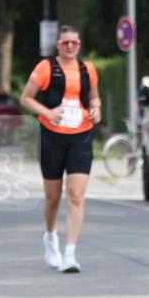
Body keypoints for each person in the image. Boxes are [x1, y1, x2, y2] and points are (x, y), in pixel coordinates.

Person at [20, 25, 101, 273]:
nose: (69, 47)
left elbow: (94, 97)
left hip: (81, 136)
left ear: (78, 44)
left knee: (76, 195)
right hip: (52, 137)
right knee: (53, 196)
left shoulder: (88, 69)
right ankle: (50, 237)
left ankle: (70, 253)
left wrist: (97, 109)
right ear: (58, 45)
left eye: (74, 43)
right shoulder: (46, 68)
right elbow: (26, 98)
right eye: (65, 42)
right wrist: (48, 113)